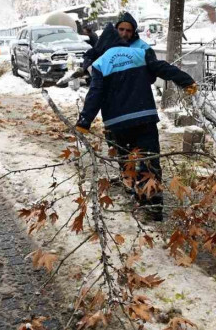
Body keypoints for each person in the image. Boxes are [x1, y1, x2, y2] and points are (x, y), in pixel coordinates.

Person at [75, 12, 197, 221]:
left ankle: (137, 197)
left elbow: (95, 94)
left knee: (128, 158)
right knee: (150, 160)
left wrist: (84, 122)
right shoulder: (140, 54)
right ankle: (154, 204)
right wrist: (186, 81)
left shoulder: (101, 62)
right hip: (144, 116)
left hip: (118, 122)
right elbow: (163, 68)